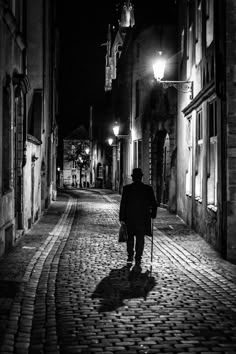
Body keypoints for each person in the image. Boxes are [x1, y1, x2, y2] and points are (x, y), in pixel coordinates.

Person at [119, 168, 158, 267]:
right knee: (140, 238)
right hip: (142, 218)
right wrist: (153, 214)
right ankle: (138, 256)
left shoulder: (127, 189)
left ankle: (130, 255)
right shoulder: (147, 189)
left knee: (130, 238)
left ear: (132, 178)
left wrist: (122, 218)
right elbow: (154, 204)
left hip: (130, 218)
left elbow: (123, 204)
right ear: (141, 177)